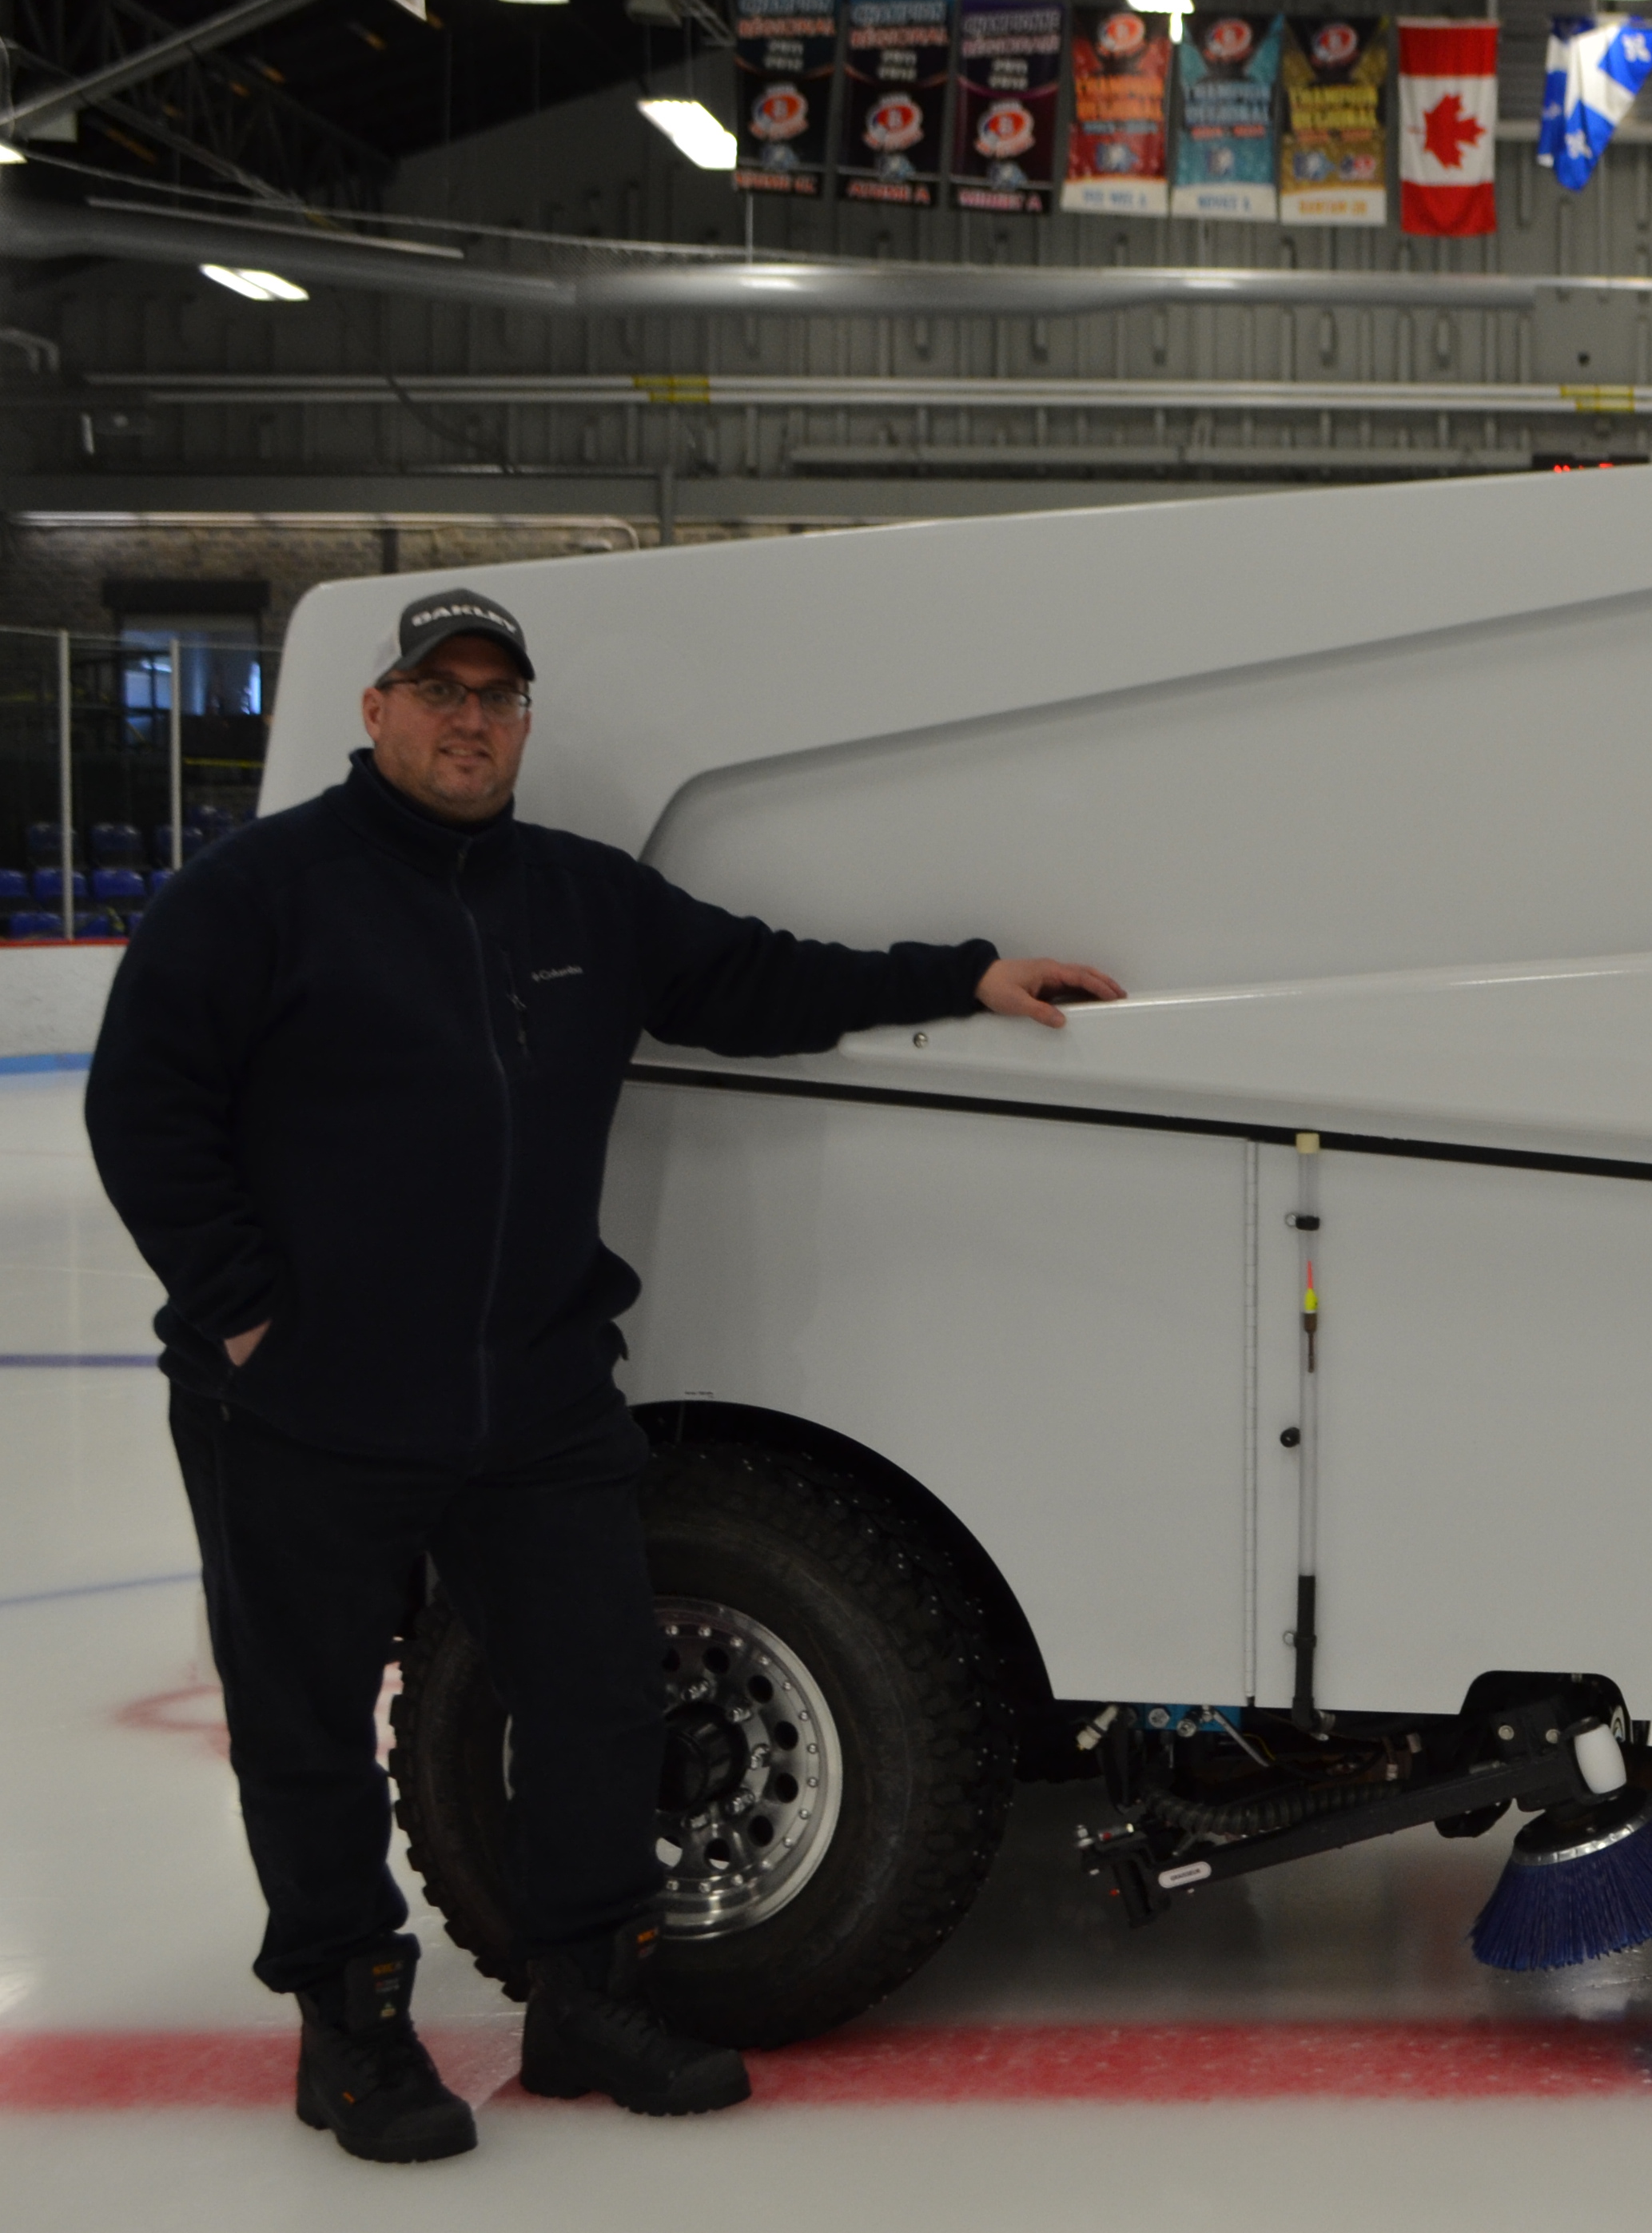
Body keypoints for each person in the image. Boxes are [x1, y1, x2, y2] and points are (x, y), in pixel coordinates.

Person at [84, 591, 1124, 2163]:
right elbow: (141, 1107)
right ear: (376, 712)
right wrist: (245, 1315)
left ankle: (586, 1997)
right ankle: (351, 2027)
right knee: (304, 1730)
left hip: (534, 1390)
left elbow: (759, 980)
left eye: (499, 696)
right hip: (303, 1405)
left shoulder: (579, 899)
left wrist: (963, 975)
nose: (471, 720)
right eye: (439, 691)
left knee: (595, 1698)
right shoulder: (261, 894)